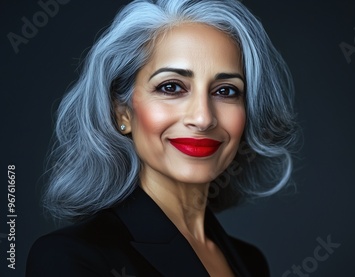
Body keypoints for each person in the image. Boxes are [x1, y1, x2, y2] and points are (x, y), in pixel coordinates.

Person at [26, 0, 298, 276]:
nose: (203, 118)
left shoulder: (251, 262)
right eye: (171, 87)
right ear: (122, 112)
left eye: (226, 91)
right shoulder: (69, 258)